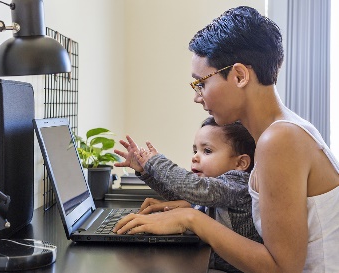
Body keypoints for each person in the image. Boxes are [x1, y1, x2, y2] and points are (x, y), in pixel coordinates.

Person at [113, 6, 339, 273]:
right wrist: (188, 207)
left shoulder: (280, 140)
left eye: (202, 83)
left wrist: (191, 218)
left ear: (240, 76)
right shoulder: (283, 132)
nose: (198, 96)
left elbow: (282, 269)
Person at [115, 116, 261, 272]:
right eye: (195, 150)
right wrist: (145, 171)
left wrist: (155, 162)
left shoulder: (238, 184)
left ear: (240, 163)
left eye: (207, 151)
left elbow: (196, 189)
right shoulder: (216, 188)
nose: (195, 157)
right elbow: (183, 195)